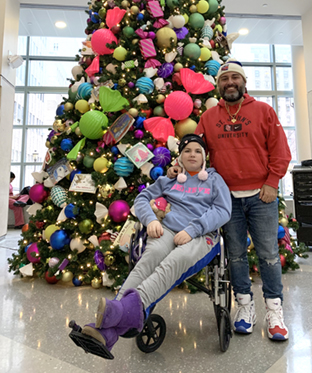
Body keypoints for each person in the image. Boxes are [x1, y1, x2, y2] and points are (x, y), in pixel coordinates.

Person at [168, 59, 292, 341]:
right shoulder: (210, 117)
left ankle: (274, 312)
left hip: (262, 196)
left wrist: (272, 182)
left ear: (244, 82)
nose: (230, 83)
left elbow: (280, 151)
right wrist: (178, 167)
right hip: (226, 201)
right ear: (218, 85)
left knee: (269, 256)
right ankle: (245, 308)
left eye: (235, 78)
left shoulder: (263, 111)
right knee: (235, 256)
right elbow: (194, 150)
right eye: (225, 79)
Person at [76, 134, 232, 354]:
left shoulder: (215, 180)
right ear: (180, 156)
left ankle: (123, 313)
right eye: (187, 151)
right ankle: (107, 331)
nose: (192, 154)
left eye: (198, 151)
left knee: (177, 259)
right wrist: (150, 220)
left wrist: (192, 230)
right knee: (150, 257)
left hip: (201, 234)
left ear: (205, 157)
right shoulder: (170, 179)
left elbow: (223, 211)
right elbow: (141, 199)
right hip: (167, 229)